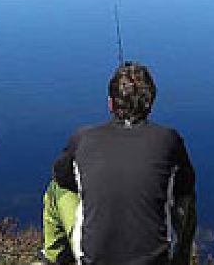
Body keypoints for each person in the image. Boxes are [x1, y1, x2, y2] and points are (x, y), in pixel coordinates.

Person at [42, 61, 196, 265]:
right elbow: (186, 185)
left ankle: (53, 259)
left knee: (55, 191)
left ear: (111, 103)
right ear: (151, 102)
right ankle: (181, 260)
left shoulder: (83, 138)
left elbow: (61, 177)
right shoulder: (169, 139)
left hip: (93, 260)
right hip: (158, 261)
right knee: (188, 196)